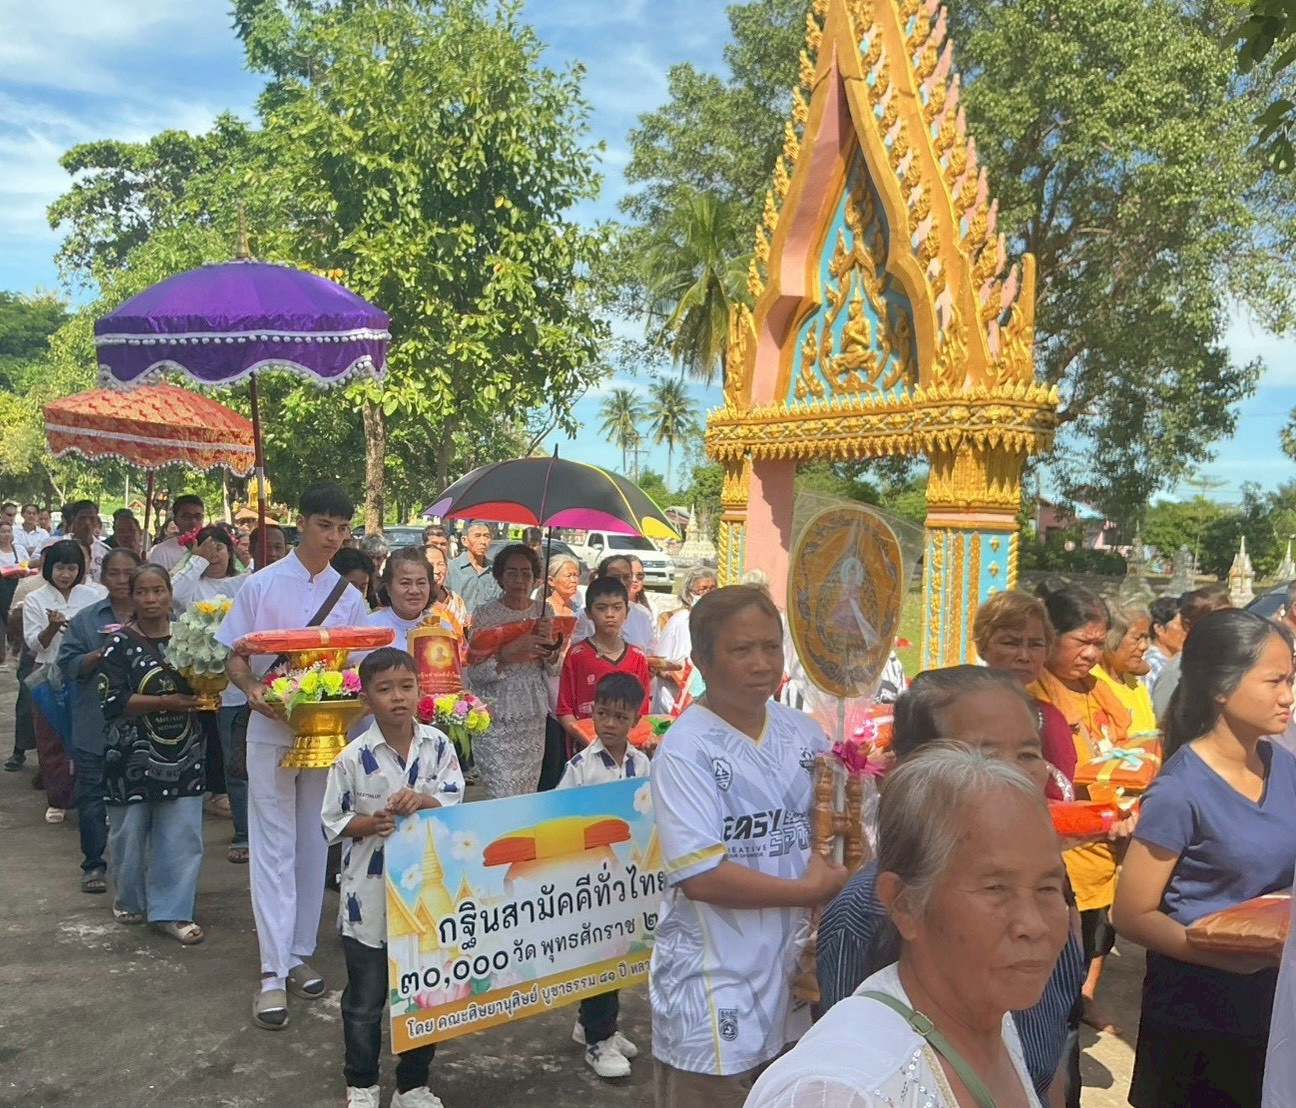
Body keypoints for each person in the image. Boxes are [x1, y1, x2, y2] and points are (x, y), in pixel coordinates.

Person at [816, 666, 1087, 1105]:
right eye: (982, 753)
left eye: (1027, 753)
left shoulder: (1043, 886)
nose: (1013, 776)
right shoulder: (865, 913)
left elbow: (1051, 1046)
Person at [748, 745, 1069, 1108]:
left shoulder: (990, 1014)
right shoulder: (843, 1091)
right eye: (995, 889)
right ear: (904, 904)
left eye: (1047, 888)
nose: (1034, 924)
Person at [650, 585, 848, 1107]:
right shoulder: (685, 751)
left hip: (794, 981)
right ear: (701, 660)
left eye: (771, 646)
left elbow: (837, 832)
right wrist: (808, 888)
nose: (762, 664)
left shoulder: (806, 735)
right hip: (715, 990)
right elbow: (702, 877)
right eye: (742, 650)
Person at [1111, 609, 1296, 1106]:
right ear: (1221, 687)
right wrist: (1219, 955)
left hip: (1274, 1004)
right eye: (1275, 681)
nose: (1289, 696)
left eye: (1292, 679)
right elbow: (1130, 914)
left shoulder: (1286, 769)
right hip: (1198, 1015)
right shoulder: (1180, 791)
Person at [217, 481, 370, 1030]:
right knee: (272, 845)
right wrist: (253, 691)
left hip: (325, 734)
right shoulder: (260, 585)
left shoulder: (349, 597)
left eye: (342, 528)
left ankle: (299, 951)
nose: (333, 537)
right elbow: (235, 658)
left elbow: (356, 674)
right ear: (300, 523)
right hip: (270, 731)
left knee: (313, 841)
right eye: (324, 525)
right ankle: (270, 972)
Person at [321, 647, 463, 1108]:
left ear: (420, 690)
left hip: (425, 896)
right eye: (385, 690)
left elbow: (455, 798)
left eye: (406, 687)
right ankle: (361, 1085)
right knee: (365, 1001)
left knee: (423, 993)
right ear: (367, 698)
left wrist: (423, 801)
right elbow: (332, 823)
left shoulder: (438, 744)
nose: (398, 698)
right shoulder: (351, 757)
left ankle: (413, 1084)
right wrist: (372, 823)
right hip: (369, 898)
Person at [1028, 583, 1131, 1037]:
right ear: (1051, 637)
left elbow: (1128, 754)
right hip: (1059, 844)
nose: (1091, 653)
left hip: (1106, 839)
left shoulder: (1101, 692)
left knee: (1095, 936)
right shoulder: (1032, 697)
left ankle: (1078, 1004)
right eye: (1081, 641)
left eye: (1098, 643)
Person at [97, 564, 205, 943]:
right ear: (132, 595)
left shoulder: (193, 638)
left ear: (170, 592)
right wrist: (165, 701)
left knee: (183, 835)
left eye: (158, 590)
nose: (151, 599)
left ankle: (172, 912)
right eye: (142, 591)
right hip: (129, 755)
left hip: (184, 751)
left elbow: (208, 685)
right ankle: (130, 899)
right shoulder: (119, 643)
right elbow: (111, 699)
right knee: (128, 834)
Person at [556, 671, 653, 1079]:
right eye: (602, 714)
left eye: (619, 716)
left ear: (635, 720)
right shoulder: (580, 767)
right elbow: (560, 818)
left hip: (627, 880)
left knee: (619, 957)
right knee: (599, 958)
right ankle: (599, 1041)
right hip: (590, 881)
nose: (610, 724)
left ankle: (593, 1026)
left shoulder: (643, 762)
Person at [57, 547, 141, 893]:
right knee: (92, 796)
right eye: (114, 573)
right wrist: (99, 653)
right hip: (93, 721)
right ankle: (94, 865)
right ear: (102, 577)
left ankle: (135, 866)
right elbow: (68, 665)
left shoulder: (154, 614)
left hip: (140, 725)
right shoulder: (87, 619)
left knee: (138, 797)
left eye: (128, 573)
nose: (122, 580)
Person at [172, 524, 252, 863]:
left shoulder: (244, 581)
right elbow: (175, 595)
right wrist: (197, 562)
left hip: (239, 689)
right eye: (207, 547)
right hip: (197, 688)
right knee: (211, 759)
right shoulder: (193, 586)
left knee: (240, 761)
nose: (215, 553)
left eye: (220, 547)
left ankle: (248, 831)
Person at [463, 543, 563, 798]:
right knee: (501, 791)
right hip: (495, 714)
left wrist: (550, 647)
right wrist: (509, 653)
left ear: (535, 577)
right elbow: (475, 672)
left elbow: (554, 668)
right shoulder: (486, 614)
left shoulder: (544, 611)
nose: (519, 580)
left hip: (532, 714)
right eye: (512, 572)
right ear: (499, 576)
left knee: (527, 790)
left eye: (526, 573)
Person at [25, 539, 107, 823]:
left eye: (72, 568)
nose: (65, 574)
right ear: (49, 568)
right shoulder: (36, 599)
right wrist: (51, 627)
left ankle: (94, 797)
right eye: (60, 567)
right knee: (51, 737)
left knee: (89, 735)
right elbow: (35, 645)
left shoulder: (93, 595)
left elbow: (102, 632)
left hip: (85, 670)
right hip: (49, 671)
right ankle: (57, 799)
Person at [974, 589, 1077, 795]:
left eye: (1035, 645)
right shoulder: (956, 711)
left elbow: (1063, 797)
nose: (1024, 655)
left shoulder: (1051, 720)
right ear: (983, 646)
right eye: (1010, 643)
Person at [556, 576, 651, 756]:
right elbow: (564, 710)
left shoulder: (637, 657)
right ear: (589, 613)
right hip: (586, 751)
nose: (610, 614)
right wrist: (590, 741)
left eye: (617, 608)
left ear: (627, 612)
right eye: (601, 608)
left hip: (628, 750)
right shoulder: (577, 655)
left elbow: (642, 711)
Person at [1150, 584, 1233, 721]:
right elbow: (1163, 723)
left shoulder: (1233, 664)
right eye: (1220, 622)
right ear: (1190, 626)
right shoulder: (1178, 671)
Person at [4, 547, 48, 772]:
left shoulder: (83, 590)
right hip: (33, 654)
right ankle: (19, 750)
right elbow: (15, 617)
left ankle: (48, 760)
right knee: (26, 701)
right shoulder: (30, 586)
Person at [653, 568, 716, 714]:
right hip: (673, 700)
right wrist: (682, 676)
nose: (708, 594)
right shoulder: (680, 620)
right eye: (702, 589)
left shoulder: (718, 623)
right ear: (689, 593)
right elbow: (657, 664)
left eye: (712, 589)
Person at [1093, 602, 1157, 736]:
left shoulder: (1135, 685)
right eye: (1137, 638)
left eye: (1146, 638)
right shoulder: (1091, 683)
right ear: (1111, 638)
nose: (1144, 646)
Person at [575, 555, 656, 653]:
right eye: (615, 577)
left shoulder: (642, 614)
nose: (622, 582)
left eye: (626, 577)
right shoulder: (584, 617)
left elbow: (650, 650)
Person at [367, 547, 433, 644]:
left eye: (421, 583)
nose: (414, 590)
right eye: (405, 583)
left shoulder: (443, 628)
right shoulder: (370, 627)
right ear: (388, 587)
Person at [447, 521, 500, 616]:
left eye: (486, 536)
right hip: (457, 626)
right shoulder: (451, 568)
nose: (483, 542)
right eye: (477, 536)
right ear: (464, 541)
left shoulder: (496, 570)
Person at [148, 494, 205, 572]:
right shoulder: (161, 551)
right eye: (187, 516)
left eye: (198, 516)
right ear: (175, 520)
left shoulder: (212, 547)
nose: (193, 521)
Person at [424, 544, 468, 640]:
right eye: (430, 565)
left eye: (441, 564)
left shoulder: (456, 600)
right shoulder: (417, 603)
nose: (437, 571)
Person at [62, 498, 111, 584]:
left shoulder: (105, 551)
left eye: (92, 519)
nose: (87, 523)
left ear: (97, 521)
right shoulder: (59, 546)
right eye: (82, 518)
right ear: (73, 520)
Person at [1143, 595, 1185, 689]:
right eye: (1182, 625)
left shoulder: (1172, 664)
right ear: (1159, 629)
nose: (1187, 631)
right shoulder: (1155, 666)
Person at [0, 518, 20, 666]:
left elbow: (27, 564)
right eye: (3, 531)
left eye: (8, 531)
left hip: (16, 585)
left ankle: (14, 648)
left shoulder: (18, 549)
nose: (6, 534)